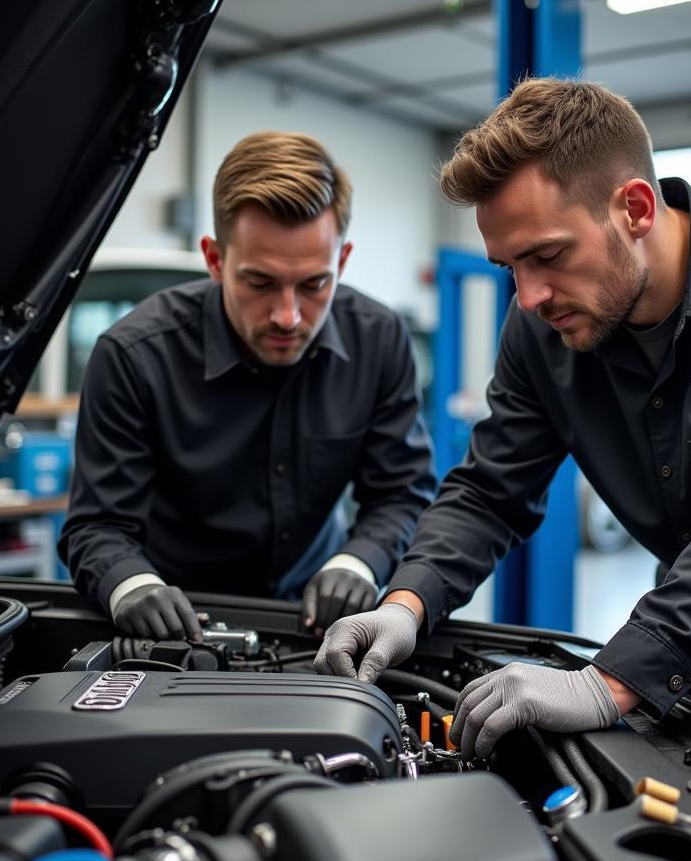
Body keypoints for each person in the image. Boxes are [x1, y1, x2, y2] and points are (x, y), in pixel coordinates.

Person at [314, 79, 691, 861]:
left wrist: (608, 683)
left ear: (634, 207)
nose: (527, 296)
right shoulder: (545, 328)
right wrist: (407, 600)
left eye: (547, 257)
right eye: (510, 267)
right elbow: (491, 488)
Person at [59, 131, 436, 641]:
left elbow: (401, 492)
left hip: (318, 619)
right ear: (215, 259)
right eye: (259, 283)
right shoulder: (133, 355)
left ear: (342, 261)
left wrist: (359, 561)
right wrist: (130, 584)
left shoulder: (380, 339)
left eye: (314, 284)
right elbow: (97, 525)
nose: (287, 316)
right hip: (180, 622)